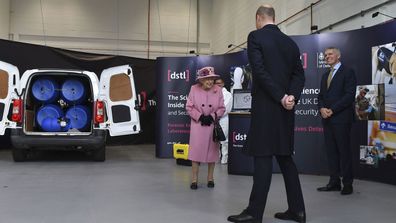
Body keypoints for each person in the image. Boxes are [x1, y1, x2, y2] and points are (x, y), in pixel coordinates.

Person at [227, 5, 306, 223]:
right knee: (285, 158)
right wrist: (292, 97)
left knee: (262, 158)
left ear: (259, 18)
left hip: (266, 107)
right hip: (285, 111)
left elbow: (259, 71)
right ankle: (298, 210)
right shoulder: (290, 43)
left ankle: (254, 212)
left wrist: (281, 96)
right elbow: (299, 75)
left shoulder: (256, 36)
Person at [317, 47, 357, 195]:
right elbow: (320, 96)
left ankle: (347, 184)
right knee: (331, 152)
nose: (327, 57)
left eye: (330, 54)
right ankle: (334, 182)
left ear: (338, 56)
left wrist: (332, 110)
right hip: (327, 119)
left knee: (344, 152)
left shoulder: (348, 72)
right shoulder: (325, 75)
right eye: (325, 55)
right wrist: (321, 109)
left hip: (341, 119)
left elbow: (349, 96)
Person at [186, 66, 225, 190]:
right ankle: (194, 180)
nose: (210, 82)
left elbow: (222, 108)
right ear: (201, 80)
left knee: (212, 154)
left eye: (212, 79)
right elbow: (189, 107)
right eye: (207, 79)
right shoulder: (194, 89)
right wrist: (200, 117)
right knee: (196, 154)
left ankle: (210, 178)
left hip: (212, 126)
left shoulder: (218, 90)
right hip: (198, 126)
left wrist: (213, 116)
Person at [215, 78, 233, 164]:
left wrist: (216, 115)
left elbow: (225, 108)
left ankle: (225, 158)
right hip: (214, 119)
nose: (218, 85)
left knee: (224, 140)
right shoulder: (213, 94)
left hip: (223, 119)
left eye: (220, 83)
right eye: (216, 83)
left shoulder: (228, 94)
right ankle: (216, 157)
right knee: (215, 140)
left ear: (223, 84)